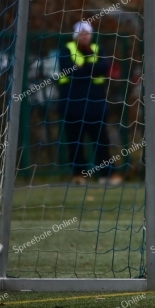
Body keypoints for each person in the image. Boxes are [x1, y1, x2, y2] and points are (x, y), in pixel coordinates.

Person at [58, 20, 121, 185]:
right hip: (73, 103)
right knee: (75, 141)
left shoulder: (98, 49)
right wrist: (90, 69)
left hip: (95, 103)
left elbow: (103, 67)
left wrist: (83, 68)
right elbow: (71, 71)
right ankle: (79, 174)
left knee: (101, 140)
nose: (85, 37)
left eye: (87, 34)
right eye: (82, 34)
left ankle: (107, 174)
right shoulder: (67, 50)